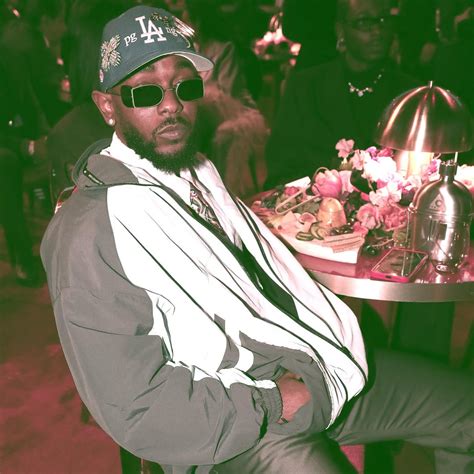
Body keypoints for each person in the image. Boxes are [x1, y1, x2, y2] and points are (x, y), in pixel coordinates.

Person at [40, 6, 473, 473]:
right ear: (107, 106)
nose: (171, 105)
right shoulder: (88, 231)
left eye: (185, 86)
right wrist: (271, 401)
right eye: (145, 91)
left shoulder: (195, 170)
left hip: (308, 363)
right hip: (233, 422)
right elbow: (137, 406)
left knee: (465, 411)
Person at [264, 0, 419, 190]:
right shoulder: (306, 87)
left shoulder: (408, 92)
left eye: (383, 20)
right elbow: (281, 166)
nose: (377, 31)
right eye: (364, 22)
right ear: (341, 31)